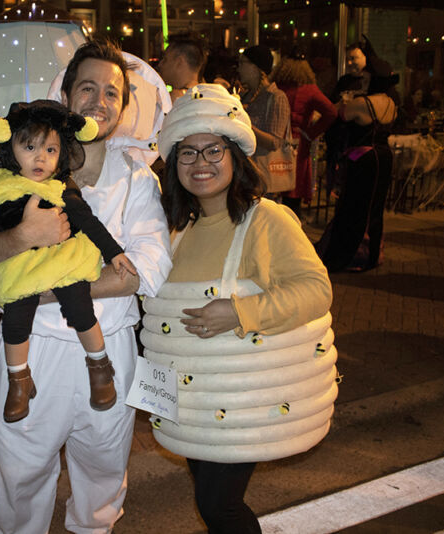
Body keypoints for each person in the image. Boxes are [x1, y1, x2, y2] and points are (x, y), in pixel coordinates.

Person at [0, 38, 171, 533]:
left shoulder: (137, 180)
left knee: (103, 472)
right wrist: (21, 238)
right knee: (21, 472)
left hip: (107, 348)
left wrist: (45, 287)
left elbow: (146, 269)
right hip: (30, 353)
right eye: (88, 87)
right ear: (67, 93)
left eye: (113, 93)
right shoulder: (10, 170)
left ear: (124, 106)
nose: (100, 100)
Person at [146, 83, 335, 533]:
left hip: (239, 399)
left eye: (212, 150)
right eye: (187, 154)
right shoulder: (173, 229)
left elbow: (315, 289)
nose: (200, 163)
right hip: (191, 399)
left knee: (218, 506)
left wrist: (239, 312)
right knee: (210, 498)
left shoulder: (266, 219)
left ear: (234, 155)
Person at [0, 99, 136, 423]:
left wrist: (114, 252)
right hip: (22, 265)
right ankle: (19, 381)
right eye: (30, 147)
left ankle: (99, 366)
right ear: (11, 148)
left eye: (51, 150)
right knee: (14, 318)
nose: (41, 157)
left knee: (80, 308)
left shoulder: (60, 187)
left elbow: (88, 221)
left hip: (63, 261)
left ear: (61, 155)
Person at [314, 57, 398, 272]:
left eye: (367, 78)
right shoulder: (390, 103)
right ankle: (371, 252)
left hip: (364, 160)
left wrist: (342, 102)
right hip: (384, 158)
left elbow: (336, 114)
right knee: (374, 207)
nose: (363, 81)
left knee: (353, 206)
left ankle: (349, 254)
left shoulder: (362, 104)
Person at [271, 46, 337, 218]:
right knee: (293, 199)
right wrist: (310, 132)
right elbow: (331, 112)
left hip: (275, 143)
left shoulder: (275, 87)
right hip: (298, 147)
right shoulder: (309, 89)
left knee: (272, 193)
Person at [237, 45, 292, 192]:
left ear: (256, 68)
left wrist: (246, 125)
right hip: (242, 172)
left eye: (243, 63)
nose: (238, 68)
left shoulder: (276, 97)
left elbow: (274, 142)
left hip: (262, 174)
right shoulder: (244, 95)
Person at [156, 33, 207, 103]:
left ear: (179, 62)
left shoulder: (175, 99)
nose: (160, 64)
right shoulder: (210, 96)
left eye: (165, 59)